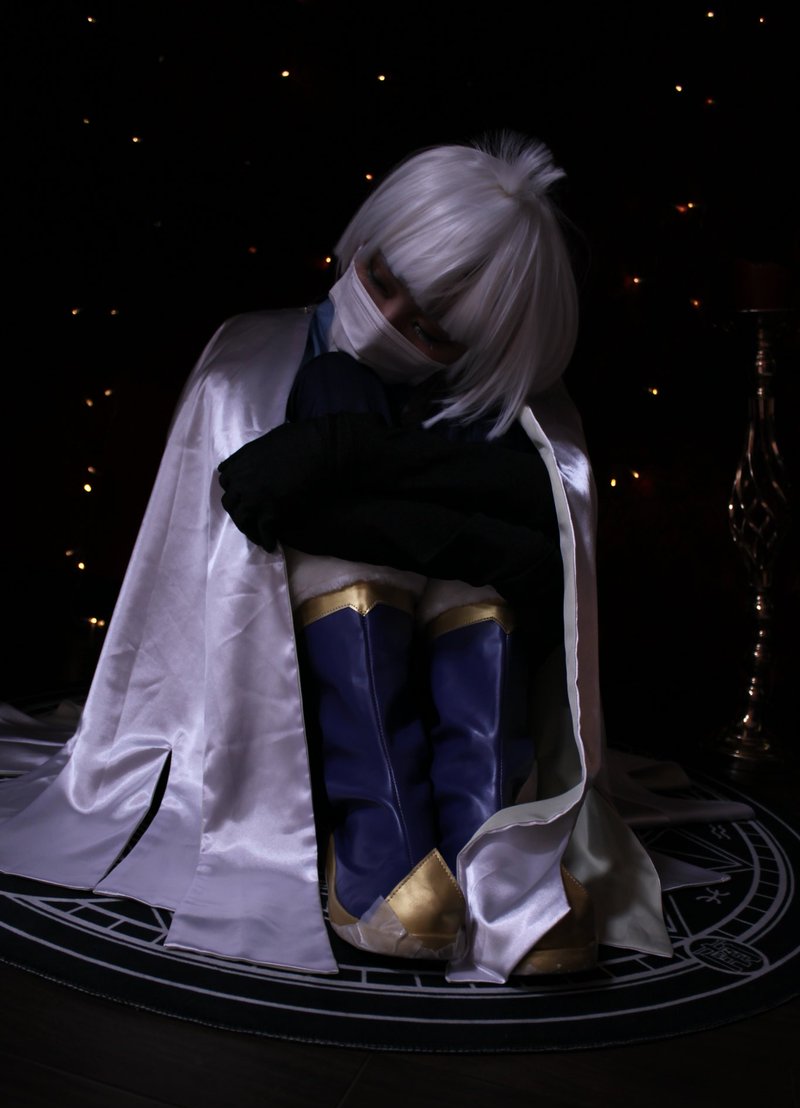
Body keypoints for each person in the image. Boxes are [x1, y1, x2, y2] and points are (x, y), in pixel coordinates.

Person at [0, 133, 692, 983]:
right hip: (282, 695)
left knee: (480, 603)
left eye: (429, 329)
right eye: (380, 280)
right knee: (362, 580)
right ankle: (384, 838)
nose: (388, 319)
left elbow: (534, 554)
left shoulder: (526, 417)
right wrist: (425, 506)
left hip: (456, 631)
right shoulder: (250, 361)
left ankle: (487, 847)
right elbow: (253, 508)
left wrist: (341, 457)